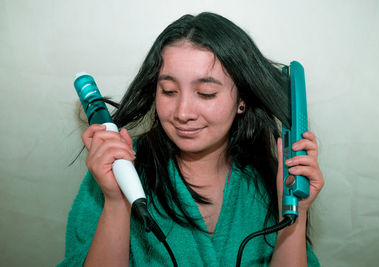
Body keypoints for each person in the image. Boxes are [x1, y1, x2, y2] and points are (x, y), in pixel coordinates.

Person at [58, 12, 324, 266]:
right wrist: (117, 203)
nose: (183, 113)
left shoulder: (270, 182)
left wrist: (294, 214)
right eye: (169, 91)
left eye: (206, 93)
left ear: (242, 100)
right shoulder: (116, 172)